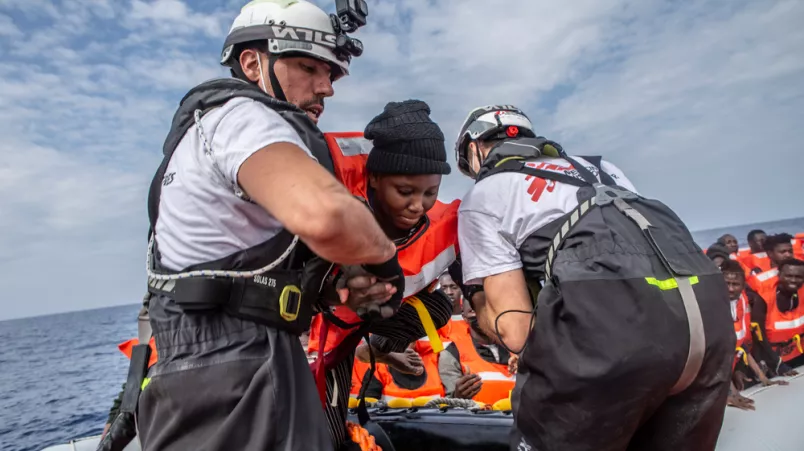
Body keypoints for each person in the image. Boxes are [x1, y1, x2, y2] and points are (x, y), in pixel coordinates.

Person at [127, 2, 410, 451]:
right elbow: (329, 216)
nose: (325, 88)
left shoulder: (204, 131)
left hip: (204, 365)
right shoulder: (243, 115)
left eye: (331, 74)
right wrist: (384, 257)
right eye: (307, 67)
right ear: (252, 63)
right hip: (241, 367)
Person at [453, 104, 734, 451]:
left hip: (610, 327)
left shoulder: (483, 194)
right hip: (709, 313)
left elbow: (515, 331)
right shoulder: (603, 168)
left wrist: (477, 295)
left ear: (474, 149)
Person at [308, 100, 456, 450]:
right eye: (405, 192)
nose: (418, 205)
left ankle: (379, 348)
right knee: (326, 432)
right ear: (374, 178)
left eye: (430, 193)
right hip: (318, 325)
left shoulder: (443, 225)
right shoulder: (328, 197)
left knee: (440, 307)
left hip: (369, 319)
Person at [719, 260, 786, 411]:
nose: (730, 289)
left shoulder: (741, 301)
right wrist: (732, 393)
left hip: (731, 366)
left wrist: (764, 379)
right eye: (726, 283)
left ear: (743, 286)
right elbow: (716, 356)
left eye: (735, 284)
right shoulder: (712, 305)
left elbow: (740, 344)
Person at [438, 294, 516, 405]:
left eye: (486, 310)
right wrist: (458, 396)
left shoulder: (516, 347)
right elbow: (450, 407)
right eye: (473, 311)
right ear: (464, 317)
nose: (481, 316)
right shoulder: (452, 353)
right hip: (479, 421)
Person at [750, 259, 804, 377]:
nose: (793, 280)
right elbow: (758, 335)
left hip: (799, 353)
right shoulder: (764, 298)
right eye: (789, 276)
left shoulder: (802, 293)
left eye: (798, 277)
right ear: (779, 275)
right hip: (773, 359)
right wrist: (777, 363)